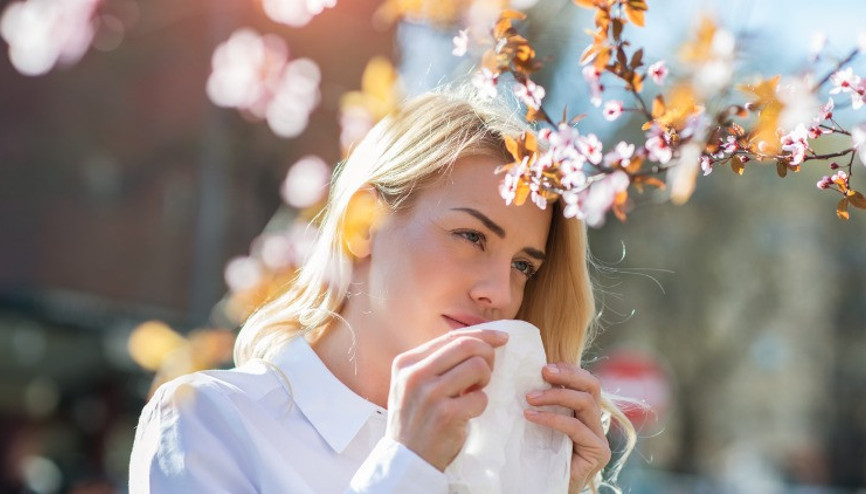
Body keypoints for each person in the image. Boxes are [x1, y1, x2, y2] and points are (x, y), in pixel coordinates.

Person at [128, 84, 635, 493]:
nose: (499, 294)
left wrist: (545, 484)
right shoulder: (208, 421)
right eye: (471, 236)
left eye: (524, 266)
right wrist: (408, 466)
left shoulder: (492, 462)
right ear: (363, 224)